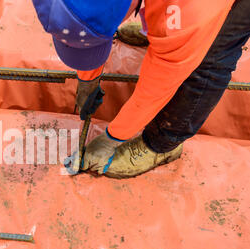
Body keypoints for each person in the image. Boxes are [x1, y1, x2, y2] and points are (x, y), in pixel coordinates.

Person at [32, 0, 250, 178]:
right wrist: (88, 78)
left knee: (210, 58)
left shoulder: (189, 8)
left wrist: (112, 139)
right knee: (170, 26)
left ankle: (164, 144)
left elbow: (161, 83)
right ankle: (159, 27)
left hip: (196, 10)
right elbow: (86, 15)